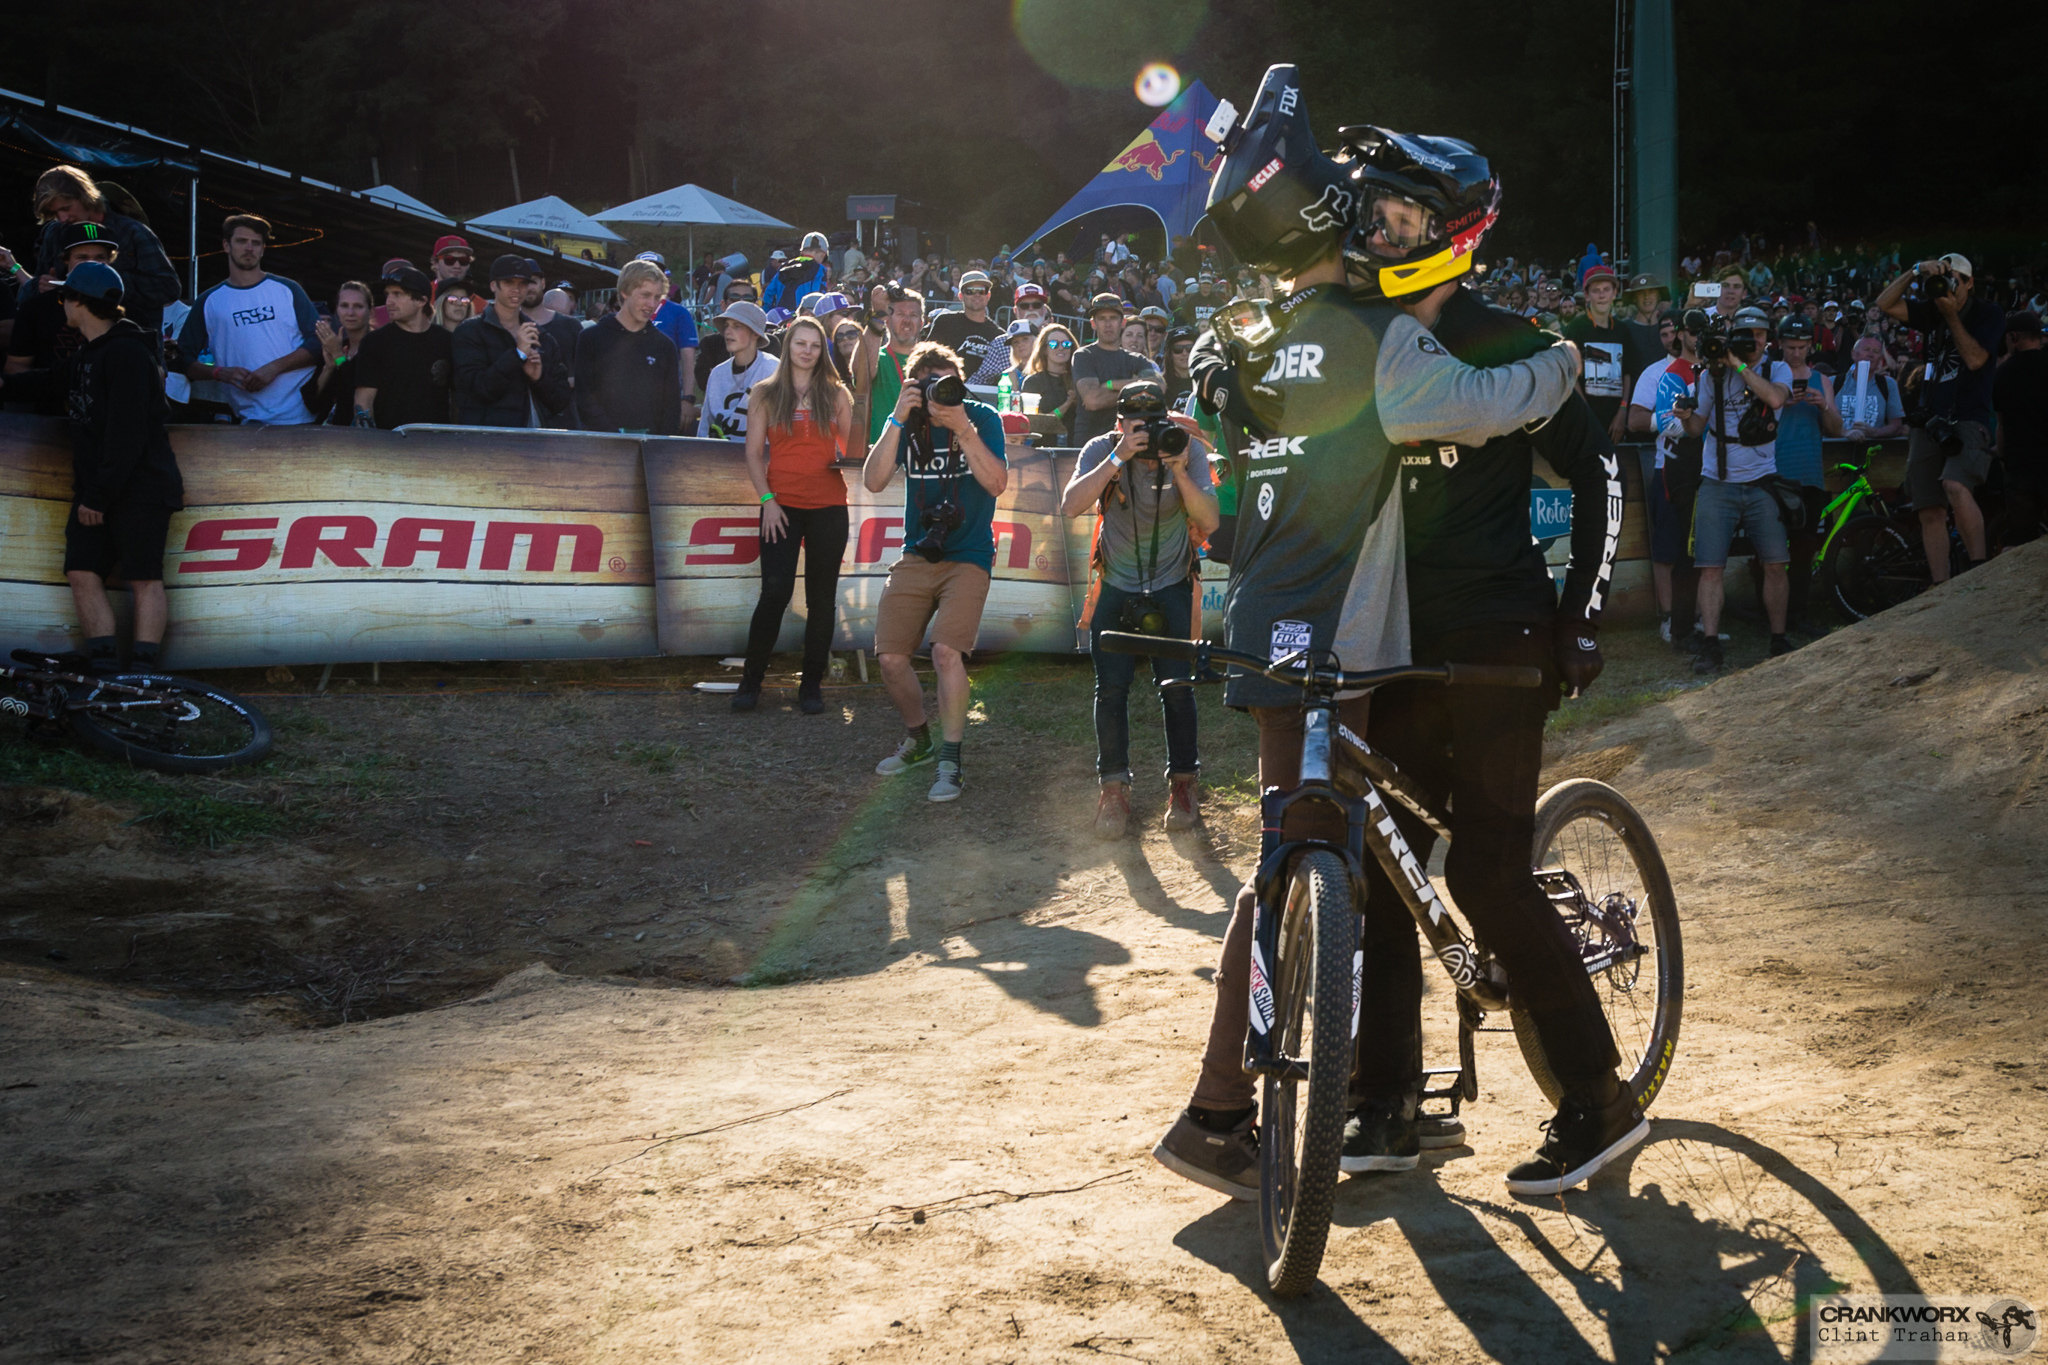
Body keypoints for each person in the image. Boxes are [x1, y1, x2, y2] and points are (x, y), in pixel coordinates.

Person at [1154, 82, 1607, 1203]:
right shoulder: (1367, 334)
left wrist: (1579, 614)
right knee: (1368, 870)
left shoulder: (1285, 338)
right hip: (1367, 638)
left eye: (1404, 220)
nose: (1382, 232)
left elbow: (1591, 476)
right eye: (1373, 215)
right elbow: (1469, 400)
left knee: (1430, 869)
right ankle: (1359, 1100)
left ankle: (1588, 1100)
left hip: (1405, 633)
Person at [1060, 380, 1219, 836]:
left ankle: (1184, 786)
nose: (1146, 433)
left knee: (1178, 687)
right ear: (1120, 423)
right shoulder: (1102, 448)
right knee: (1111, 690)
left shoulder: (1185, 448)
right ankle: (1113, 791)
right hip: (1116, 584)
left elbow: (1209, 520)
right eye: (1137, 424)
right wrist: (1119, 456)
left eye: (1154, 422)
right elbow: (1071, 506)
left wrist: (1180, 470)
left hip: (1171, 582)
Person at [860, 342, 1008, 803]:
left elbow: (997, 483)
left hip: (969, 554)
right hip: (918, 552)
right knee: (890, 658)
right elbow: (873, 480)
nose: (940, 393)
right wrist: (896, 418)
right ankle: (919, 738)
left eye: (948, 383)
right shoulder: (907, 422)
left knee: (946, 652)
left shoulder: (982, 417)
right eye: (929, 384)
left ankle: (950, 757)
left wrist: (962, 427)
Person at [53, 262, 182, 674]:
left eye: (64, 296)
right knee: (81, 570)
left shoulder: (127, 352)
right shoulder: (89, 352)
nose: (61, 304)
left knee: (143, 576)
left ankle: (143, 673)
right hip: (101, 487)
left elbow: (127, 435)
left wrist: (98, 496)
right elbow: (50, 380)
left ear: (80, 302)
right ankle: (104, 668)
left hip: (141, 487)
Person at [735, 315, 854, 714]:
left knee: (822, 599)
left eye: (815, 345)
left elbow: (853, 450)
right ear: (788, 347)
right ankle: (750, 682)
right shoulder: (765, 392)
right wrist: (768, 500)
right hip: (780, 506)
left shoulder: (836, 393)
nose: (808, 351)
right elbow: (753, 454)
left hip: (829, 506)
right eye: (801, 343)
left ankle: (812, 686)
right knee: (774, 593)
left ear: (823, 351)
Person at [1675, 304, 1792, 669]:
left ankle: (1778, 638)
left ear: (1767, 338)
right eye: (1746, 335)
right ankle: (1710, 643)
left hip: (1762, 481)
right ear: (1733, 335)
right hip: (1718, 480)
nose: (1753, 341)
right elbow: (1696, 429)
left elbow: (1775, 399)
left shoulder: (1777, 368)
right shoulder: (1714, 374)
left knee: (1776, 564)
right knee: (1710, 567)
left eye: (1759, 335)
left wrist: (1737, 364)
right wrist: (1686, 416)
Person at [1877, 253, 2004, 582]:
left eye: (1955, 280)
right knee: (1928, 508)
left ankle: (1978, 574)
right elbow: (1884, 304)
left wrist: (1951, 315)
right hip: (1930, 420)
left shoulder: (1987, 313)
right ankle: (1940, 587)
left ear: (1970, 283)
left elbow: (1975, 360)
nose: (1948, 286)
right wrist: (1915, 271)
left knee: (1955, 485)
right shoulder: (1931, 309)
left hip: (1969, 417)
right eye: (1944, 278)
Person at [21, 166, 182, 358]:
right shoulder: (54, 234)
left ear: (85, 197)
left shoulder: (133, 232)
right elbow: (34, 290)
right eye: (55, 213)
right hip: (70, 356)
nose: (62, 218)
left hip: (132, 353)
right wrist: (41, 286)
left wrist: (105, 281)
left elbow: (169, 288)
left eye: (66, 208)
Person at [176, 215, 321, 426]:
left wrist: (274, 368)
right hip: (250, 420)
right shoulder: (209, 301)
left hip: (305, 416)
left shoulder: (288, 290)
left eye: (256, 243)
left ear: (263, 249)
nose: (249, 248)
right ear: (226, 245)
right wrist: (219, 373)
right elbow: (183, 359)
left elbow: (318, 343)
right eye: (242, 241)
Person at [1768, 314, 1842, 628]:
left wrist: (1822, 405)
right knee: (1770, 549)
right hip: (1774, 472)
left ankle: (1797, 613)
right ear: (1780, 345)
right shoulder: (1770, 373)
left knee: (1804, 548)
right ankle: (1772, 613)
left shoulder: (1821, 380)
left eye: (1801, 347)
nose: (1796, 353)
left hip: (1809, 474)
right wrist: (1779, 403)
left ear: (1810, 346)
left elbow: (1837, 428)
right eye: (1790, 347)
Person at [5, 222, 119, 414]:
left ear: (110, 261)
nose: (91, 264)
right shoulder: (36, 308)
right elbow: (16, 366)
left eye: (100, 258)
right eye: (82, 258)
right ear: (66, 260)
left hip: (109, 418)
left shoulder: (129, 309)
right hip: (49, 419)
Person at [450, 254, 572, 428]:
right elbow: (475, 391)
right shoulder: (469, 332)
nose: (516, 289)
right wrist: (517, 354)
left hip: (534, 438)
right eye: (509, 282)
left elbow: (560, 401)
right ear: (493, 285)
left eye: (523, 283)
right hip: (487, 437)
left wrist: (538, 379)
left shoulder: (542, 337)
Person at [572, 258, 680, 435]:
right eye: (645, 295)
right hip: (602, 444)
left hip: (651, 446)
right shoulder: (591, 338)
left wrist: (658, 443)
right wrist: (615, 437)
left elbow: (671, 409)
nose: (652, 305)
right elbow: (585, 399)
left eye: (657, 297)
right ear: (624, 292)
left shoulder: (664, 346)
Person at [350, 267, 453, 429]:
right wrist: (367, 437)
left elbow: (457, 397)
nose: (389, 301)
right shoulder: (375, 342)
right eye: (388, 294)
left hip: (436, 439)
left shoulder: (446, 341)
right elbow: (363, 400)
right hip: (388, 439)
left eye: (397, 294)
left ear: (421, 301)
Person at [1070, 292, 1160, 447]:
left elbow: (1158, 387)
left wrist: (1110, 385)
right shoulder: (1083, 355)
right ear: (1093, 323)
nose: (1108, 324)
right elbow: (1093, 401)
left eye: (1113, 318)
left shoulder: (1137, 359)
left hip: (1129, 441)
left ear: (1123, 322)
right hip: (1089, 443)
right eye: (1102, 318)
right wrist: (1137, 391)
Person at [1993, 312, 2046, 545]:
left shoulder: (2004, 373)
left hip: (2020, 466)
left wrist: (2001, 455)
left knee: (2023, 541)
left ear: (2014, 337)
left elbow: (2001, 424)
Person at [1563, 264, 1632, 443]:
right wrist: (1586, 414)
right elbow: (1570, 374)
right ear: (1587, 295)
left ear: (1614, 293)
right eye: (1596, 290)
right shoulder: (1576, 328)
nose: (1601, 295)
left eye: (1606, 290)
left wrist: (1623, 410)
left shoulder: (1623, 330)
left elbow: (1627, 373)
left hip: (1616, 419)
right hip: (1584, 420)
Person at [854, 284, 923, 451]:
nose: (907, 320)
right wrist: (878, 314)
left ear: (921, 323)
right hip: (882, 455)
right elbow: (861, 373)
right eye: (900, 314)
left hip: (921, 456)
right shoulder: (878, 358)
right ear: (888, 320)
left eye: (913, 315)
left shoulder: (933, 362)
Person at [699, 299, 779, 441]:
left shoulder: (773, 369)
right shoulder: (717, 373)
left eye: (737, 326)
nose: (728, 332)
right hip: (721, 453)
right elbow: (705, 426)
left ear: (755, 333)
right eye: (727, 326)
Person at [302, 281, 374, 425]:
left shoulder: (377, 347)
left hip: (360, 433)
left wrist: (338, 356)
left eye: (358, 306)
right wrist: (328, 368)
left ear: (370, 311)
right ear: (337, 310)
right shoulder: (337, 345)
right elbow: (311, 403)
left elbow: (354, 392)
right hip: (327, 433)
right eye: (344, 306)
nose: (350, 313)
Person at [927, 269, 1003, 385]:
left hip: (983, 393)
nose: (976, 295)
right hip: (945, 389)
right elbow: (927, 358)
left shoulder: (998, 335)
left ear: (988, 295)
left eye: (982, 291)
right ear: (960, 296)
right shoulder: (945, 322)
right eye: (970, 291)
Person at [1834, 335, 1906, 442]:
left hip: (1874, 447)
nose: (1871, 354)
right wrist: (1845, 432)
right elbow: (1822, 421)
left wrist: (1875, 432)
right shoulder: (1834, 382)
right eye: (1866, 349)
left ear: (1880, 358)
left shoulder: (1888, 384)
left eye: (1876, 351)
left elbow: (1896, 425)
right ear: (1853, 354)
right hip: (1837, 447)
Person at [1022, 323, 1079, 445]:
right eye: (1054, 344)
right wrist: (1068, 403)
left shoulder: (1079, 379)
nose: (1061, 348)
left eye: (1066, 344)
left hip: (1075, 447)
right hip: (1043, 449)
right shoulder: (1033, 382)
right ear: (1044, 350)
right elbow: (1038, 424)